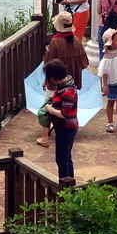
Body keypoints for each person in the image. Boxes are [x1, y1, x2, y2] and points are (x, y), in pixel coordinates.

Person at [38, 12, 89, 148]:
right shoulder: (77, 41)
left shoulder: (55, 42)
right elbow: (85, 63)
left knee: (48, 107)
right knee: (69, 107)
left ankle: (45, 137)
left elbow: (48, 63)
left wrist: (47, 79)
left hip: (55, 82)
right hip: (71, 83)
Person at [43, 59, 78, 187]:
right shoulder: (63, 86)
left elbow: (65, 114)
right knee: (66, 157)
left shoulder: (68, 91)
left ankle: (65, 188)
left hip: (66, 128)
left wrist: (50, 109)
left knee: (62, 159)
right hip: (63, 128)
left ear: (55, 76)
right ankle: (70, 184)